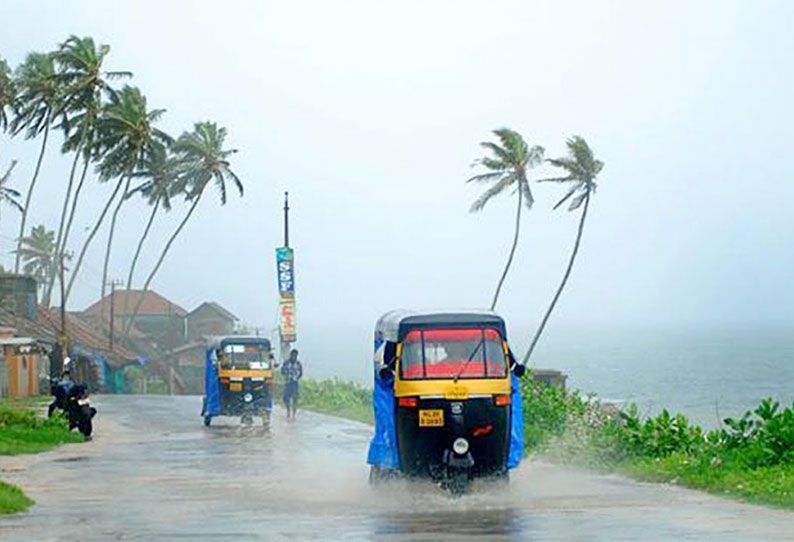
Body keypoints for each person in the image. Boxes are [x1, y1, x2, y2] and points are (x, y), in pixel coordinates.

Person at [281, 349, 303, 420]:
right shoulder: (286, 363)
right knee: (286, 398)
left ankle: (293, 414)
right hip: (288, 382)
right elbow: (282, 371)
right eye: (293, 355)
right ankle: (288, 411)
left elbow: (301, 373)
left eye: (295, 355)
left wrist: (296, 377)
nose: (294, 357)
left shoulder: (298, 364)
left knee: (295, 399)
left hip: (295, 383)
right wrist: (287, 375)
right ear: (291, 355)